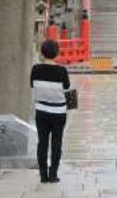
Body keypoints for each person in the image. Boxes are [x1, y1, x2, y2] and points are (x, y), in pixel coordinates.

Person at [30, 39, 71, 183]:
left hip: (41, 111)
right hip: (59, 112)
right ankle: (53, 174)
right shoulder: (62, 71)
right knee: (56, 143)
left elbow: (32, 86)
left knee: (42, 143)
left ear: (42, 52)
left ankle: (43, 175)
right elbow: (67, 88)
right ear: (57, 53)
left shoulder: (35, 69)